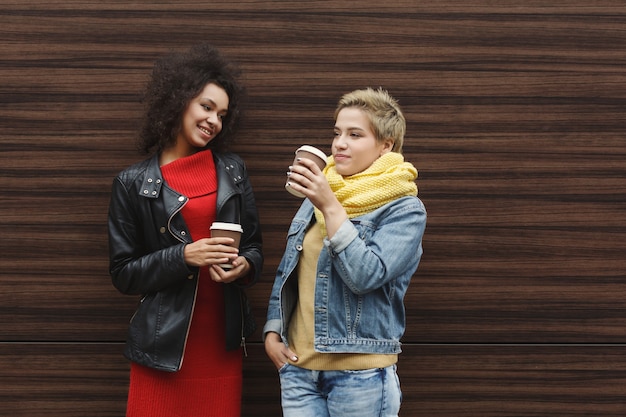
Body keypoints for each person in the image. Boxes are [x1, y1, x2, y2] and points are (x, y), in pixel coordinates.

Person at [107, 43, 263, 417]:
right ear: (178, 101)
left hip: (221, 345)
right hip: (162, 349)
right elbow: (124, 273)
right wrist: (183, 256)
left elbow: (254, 246)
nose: (214, 121)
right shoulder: (132, 182)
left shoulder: (233, 170)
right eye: (206, 107)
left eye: (222, 114)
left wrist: (244, 267)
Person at [264, 87, 426, 417]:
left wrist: (329, 205)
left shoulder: (405, 210)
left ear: (385, 145)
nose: (339, 143)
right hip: (299, 372)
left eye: (355, 134)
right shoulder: (322, 190)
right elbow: (289, 270)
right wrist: (271, 332)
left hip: (361, 375)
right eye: (337, 133)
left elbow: (366, 275)